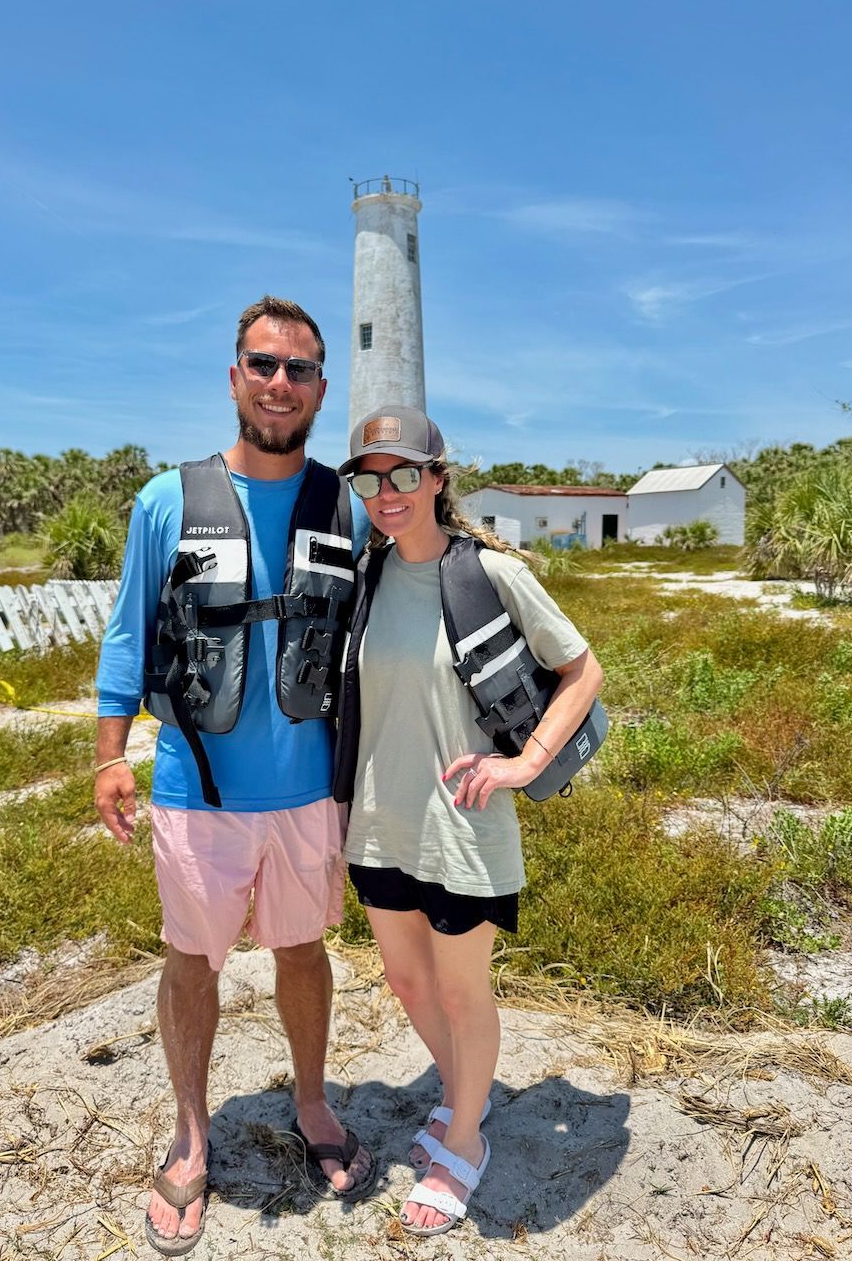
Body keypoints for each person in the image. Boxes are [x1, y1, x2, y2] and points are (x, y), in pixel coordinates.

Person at [94, 297, 375, 1256]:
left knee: (303, 954)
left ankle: (312, 1105)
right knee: (190, 961)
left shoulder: (348, 506)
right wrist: (108, 757)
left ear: (321, 389)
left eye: (298, 370)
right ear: (233, 377)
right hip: (194, 790)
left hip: (307, 796)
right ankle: (189, 1133)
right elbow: (129, 634)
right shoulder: (166, 502)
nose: (279, 384)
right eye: (262, 364)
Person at [333, 407, 603, 1238]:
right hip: (380, 820)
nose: (387, 492)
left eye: (405, 473)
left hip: (462, 822)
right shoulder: (367, 575)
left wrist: (525, 764)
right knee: (410, 984)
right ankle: (468, 1106)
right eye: (369, 477)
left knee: (460, 987)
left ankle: (461, 1143)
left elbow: (581, 668)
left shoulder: (487, 572)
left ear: (439, 479)